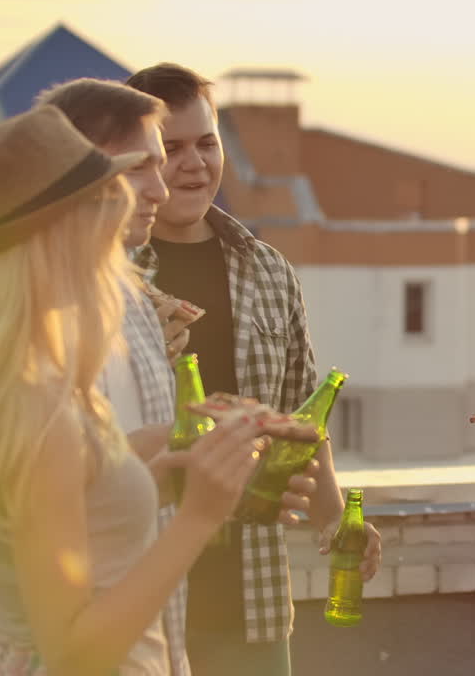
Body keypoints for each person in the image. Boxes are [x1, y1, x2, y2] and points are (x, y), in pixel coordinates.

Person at [0, 104, 266, 675]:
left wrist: (165, 471)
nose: (135, 208)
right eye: (111, 201)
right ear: (68, 232)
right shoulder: (43, 412)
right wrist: (201, 516)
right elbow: (72, 653)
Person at [125, 62, 382, 675]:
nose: (194, 164)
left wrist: (335, 522)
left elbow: (302, 425)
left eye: (207, 143)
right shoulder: (106, 276)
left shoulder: (269, 270)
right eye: (172, 148)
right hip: (139, 598)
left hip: (254, 601)